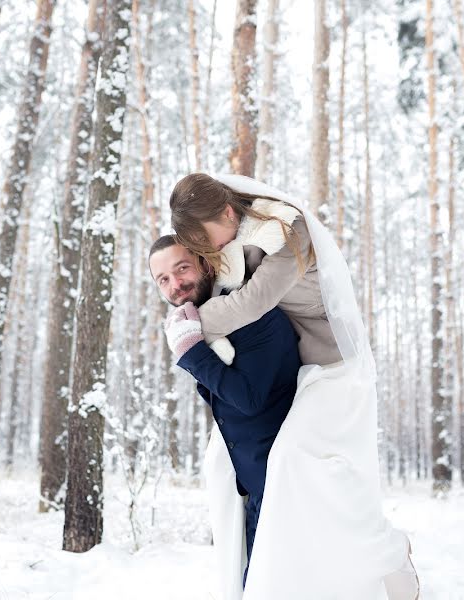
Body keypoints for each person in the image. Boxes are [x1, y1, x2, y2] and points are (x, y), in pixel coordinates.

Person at [168, 173, 419, 600]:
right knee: (305, 480)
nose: (209, 251)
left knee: (295, 460)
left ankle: (390, 554)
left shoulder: (289, 232)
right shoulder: (237, 241)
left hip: (336, 368)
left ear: (227, 212)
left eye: (206, 238)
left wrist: (187, 329)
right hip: (303, 370)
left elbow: (254, 302)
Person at [148, 235, 301, 594]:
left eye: (181, 268)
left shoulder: (254, 314)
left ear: (204, 263)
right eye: (163, 280)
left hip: (286, 484)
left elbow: (248, 400)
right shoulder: (208, 323)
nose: (175, 284)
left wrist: (191, 352)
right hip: (257, 486)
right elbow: (222, 399)